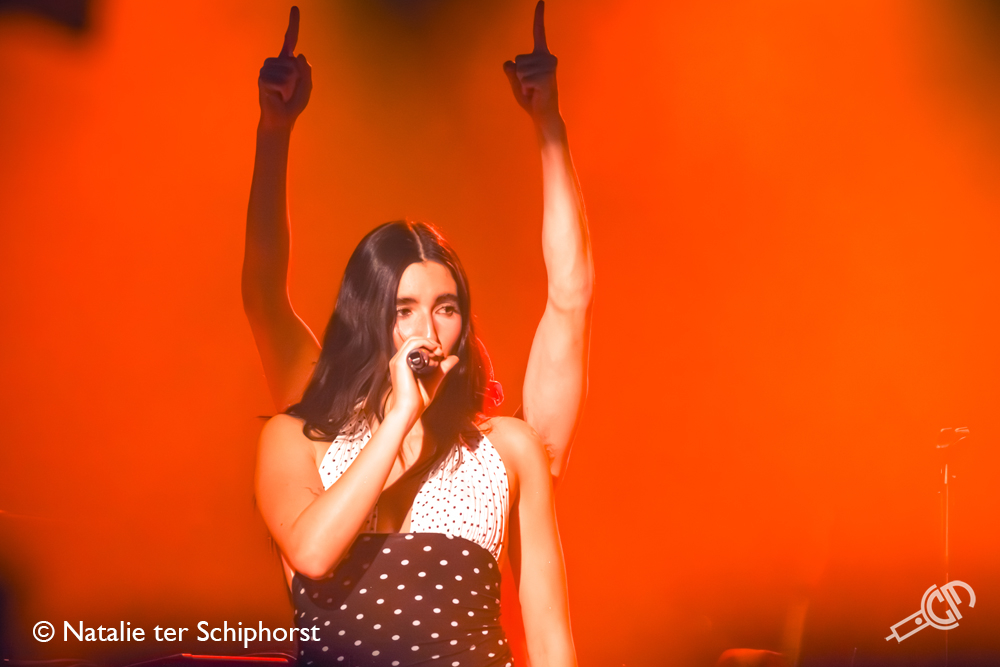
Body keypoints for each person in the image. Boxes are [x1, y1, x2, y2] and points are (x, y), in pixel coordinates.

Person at [242, 1, 592, 484]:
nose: (426, 330)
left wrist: (550, 124)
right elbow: (264, 295)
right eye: (402, 309)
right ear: (366, 320)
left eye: (446, 308)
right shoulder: (328, 435)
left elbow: (570, 297)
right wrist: (273, 129)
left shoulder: (502, 455)